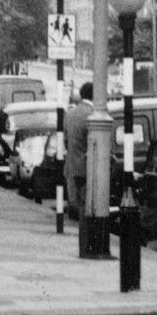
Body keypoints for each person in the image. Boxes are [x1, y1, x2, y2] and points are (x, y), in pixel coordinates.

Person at [64, 82, 94, 217]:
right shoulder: (93, 114)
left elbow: (65, 141)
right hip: (87, 168)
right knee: (86, 207)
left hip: (71, 165)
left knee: (75, 205)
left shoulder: (70, 114)